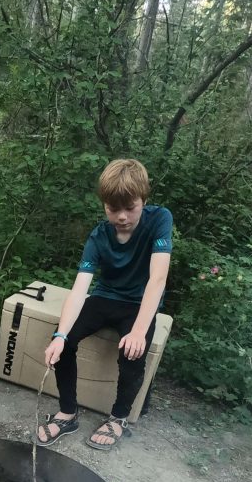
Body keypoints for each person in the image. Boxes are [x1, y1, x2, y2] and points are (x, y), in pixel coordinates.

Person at [36, 158, 172, 451]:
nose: (121, 216)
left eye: (130, 207)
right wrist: (60, 336)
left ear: (143, 200)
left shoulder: (160, 219)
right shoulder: (99, 235)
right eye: (113, 209)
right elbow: (80, 288)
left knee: (132, 353)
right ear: (104, 205)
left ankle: (118, 418)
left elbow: (157, 279)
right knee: (65, 342)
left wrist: (138, 331)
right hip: (105, 296)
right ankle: (68, 412)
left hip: (138, 303)